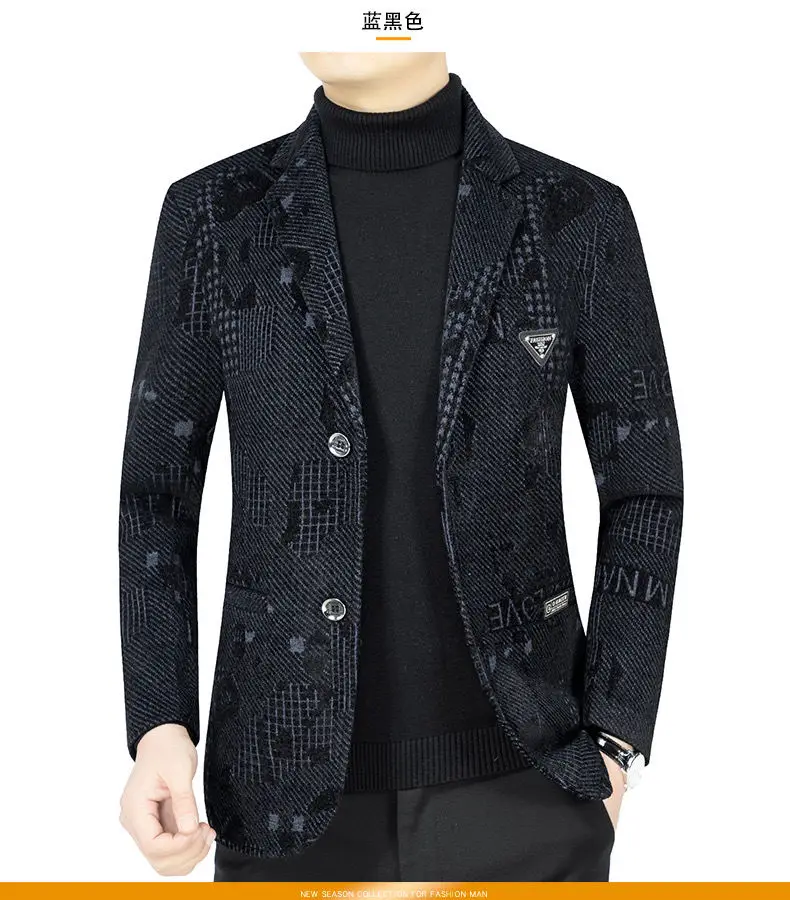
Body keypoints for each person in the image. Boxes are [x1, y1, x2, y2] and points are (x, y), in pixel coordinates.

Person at [118, 51, 683, 882]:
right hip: (282, 796)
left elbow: (645, 486)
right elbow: (156, 496)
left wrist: (615, 736)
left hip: (529, 783)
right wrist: (160, 725)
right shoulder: (216, 214)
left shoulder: (572, 213)